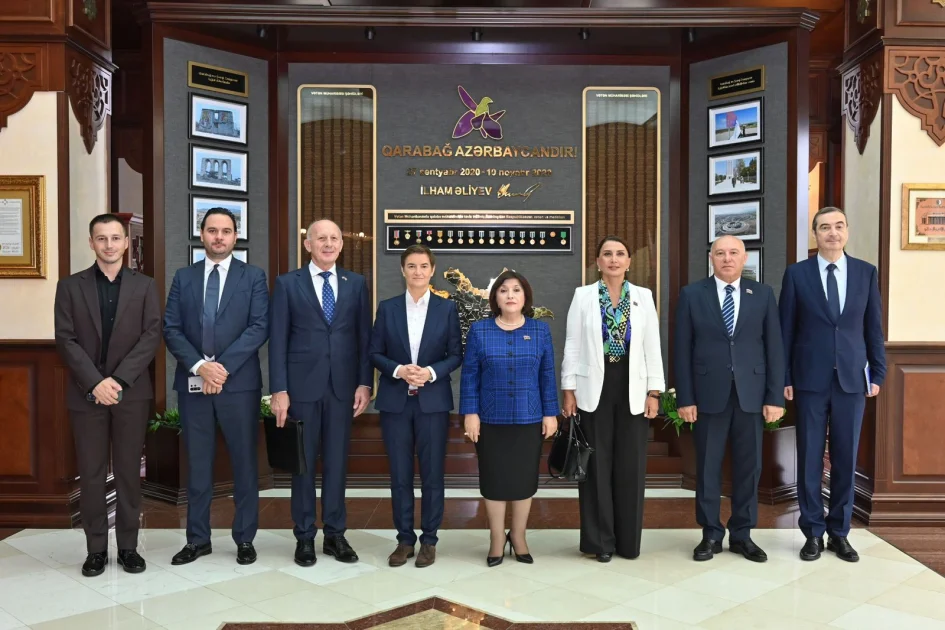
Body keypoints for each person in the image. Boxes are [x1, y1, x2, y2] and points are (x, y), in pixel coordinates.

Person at [54, 214, 161, 577]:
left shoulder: (145, 286)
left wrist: (117, 380)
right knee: (92, 474)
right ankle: (96, 549)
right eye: (102, 238)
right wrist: (95, 383)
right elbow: (65, 339)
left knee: (130, 473)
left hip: (131, 393)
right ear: (91, 243)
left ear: (126, 243)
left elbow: (151, 336)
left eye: (116, 238)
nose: (109, 245)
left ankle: (128, 547)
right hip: (86, 395)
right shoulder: (70, 286)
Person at [163, 208, 270, 566]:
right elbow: (171, 328)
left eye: (226, 231)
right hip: (193, 382)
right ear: (202, 234)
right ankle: (197, 539)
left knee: (244, 463)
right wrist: (200, 367)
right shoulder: (184, 277)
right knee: (197, 464)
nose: (219, 237)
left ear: (236, 236)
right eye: (212, 230)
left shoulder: (253, 277)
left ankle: (245, 538)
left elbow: (259, 326)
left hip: (238, 385)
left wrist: (220, 369)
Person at [780, 206, 886, 563]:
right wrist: (785, 377)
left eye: (839, 225)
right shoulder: (797, 274)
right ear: (815, 234)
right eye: (825, 227)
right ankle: (812, 531)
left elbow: (873, 327)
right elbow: (785, 331)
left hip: (852, 380)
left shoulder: (865, 273)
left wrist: (878, 373)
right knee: (809, 457)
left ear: (847, 231)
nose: (833, 232)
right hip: (809, 380)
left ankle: (840, 532)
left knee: (845, 457)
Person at [674, 235, 784, 563]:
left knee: (749, 467)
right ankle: (710, 533)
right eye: (720, 253)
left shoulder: (762, 294)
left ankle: (742, 534)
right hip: (708, 396)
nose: (727, 258)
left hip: (751, 395)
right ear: (711, 258)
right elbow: (682, 349)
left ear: (744, 258)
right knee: (708, 466)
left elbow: (775, 349)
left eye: (733, 252)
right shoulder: (692, 294)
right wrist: (685, 398)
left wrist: (775, 397)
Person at [269, 219, 373, 567]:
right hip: (301, 388)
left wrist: (364, 382)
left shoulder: (356, 284)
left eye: (334, 238)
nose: (328, 244)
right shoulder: (287, 284)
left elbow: (364, 338)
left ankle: (334, 534)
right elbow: (278, 340)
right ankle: (304, 536)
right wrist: (279, 389)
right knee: (302, 465)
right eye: (321, 238)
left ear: (341, 244)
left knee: (336, 463)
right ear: (308, 244)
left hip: (343, 388)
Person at [561, 236, 665, 562]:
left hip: (633, 388)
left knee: (631, 467)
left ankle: (628, 543)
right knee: (596, 467)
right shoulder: (583, 296)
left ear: (629, 262)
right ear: (598, 262)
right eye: (607, 254)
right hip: (593, 389)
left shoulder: (643, 296)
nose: (614, 259)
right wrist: (568, 388)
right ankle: (600, 542)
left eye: (620, 254)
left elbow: (652, 346)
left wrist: (654, 391)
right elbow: (572, 344)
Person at [369, 244, 463, 568]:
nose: (418, 271)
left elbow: (455, 354)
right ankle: (405, 540)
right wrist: (398, 370)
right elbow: (374, 352)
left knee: (433, 475)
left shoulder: (446, 309)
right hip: (395, 403)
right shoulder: (388, 308)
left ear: (432, 270)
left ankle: (429, 540)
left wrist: (430, 372)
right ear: (403, 270)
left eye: (423, 266)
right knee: (400, 475)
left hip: (432, 404)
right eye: (411, 266)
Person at [459, 270, 559, 567]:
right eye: (504, 290)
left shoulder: (540, 331)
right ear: (495, 298)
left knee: (524, 479)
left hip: (530, 417)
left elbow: (547, 375)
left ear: (525, 296)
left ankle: (518, 536)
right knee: (494, 480)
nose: (510, 295)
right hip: (490, 419)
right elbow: (470, 375)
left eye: (516, 290)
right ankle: (495, 539)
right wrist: (470, 414)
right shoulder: (479, 330)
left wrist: (550, 413)